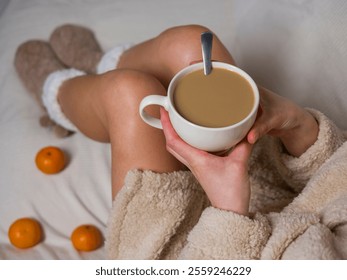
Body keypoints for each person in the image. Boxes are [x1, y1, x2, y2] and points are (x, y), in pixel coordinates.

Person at [14, 24, 347, 259]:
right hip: (277, 184)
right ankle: (96, 65)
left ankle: (55, 93)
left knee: (130, 93)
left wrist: (229, 211)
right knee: (192, 43)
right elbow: (337, 189)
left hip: (190, 250)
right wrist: (302, 130)